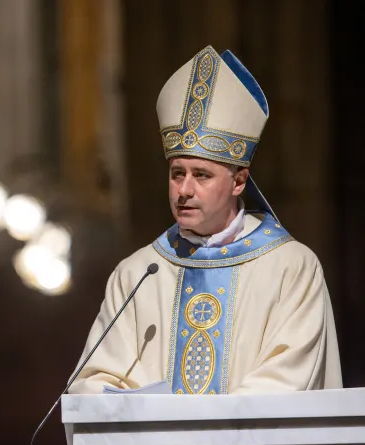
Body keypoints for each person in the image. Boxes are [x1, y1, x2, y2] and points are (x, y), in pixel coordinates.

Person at [68, 45, 342, 395]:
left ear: (239, 181)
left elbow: (287, 384)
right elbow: (92, 384)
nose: (184, 189)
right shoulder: (137, 273)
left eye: (201, 175)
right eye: (176, 173)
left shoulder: (291, 269)